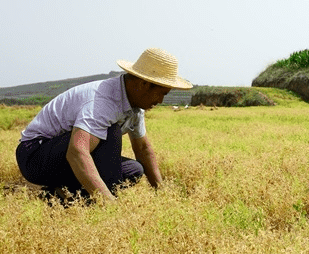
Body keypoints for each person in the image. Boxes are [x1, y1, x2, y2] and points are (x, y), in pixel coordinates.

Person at [16, 47, 192, 202]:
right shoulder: (103, 101)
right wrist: (109, 204)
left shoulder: (135, 108)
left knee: (134, 170)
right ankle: (96, 200)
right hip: (35, 156)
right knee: (111, 131)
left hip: (62, 158)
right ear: (144, 84)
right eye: (161, 94)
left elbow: (143, 149)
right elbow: (77, 152)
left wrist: (161, 193)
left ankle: (60, 195)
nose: (160, 100)